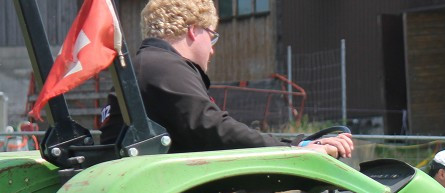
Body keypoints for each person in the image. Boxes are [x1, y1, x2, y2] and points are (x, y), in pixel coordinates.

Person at [100, 0, 351, 158]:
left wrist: (299, 142)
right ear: (193, 30)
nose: (212, 48)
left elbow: (210, 129)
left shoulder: (150, 66)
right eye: (212, 36)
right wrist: (295, 150)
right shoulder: (162, 67)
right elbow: (213, 128)